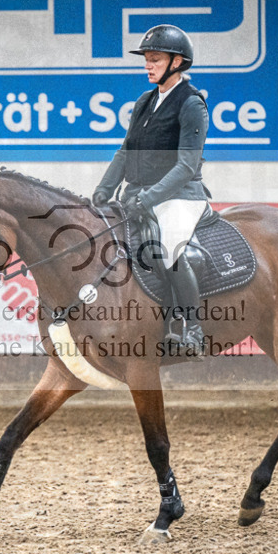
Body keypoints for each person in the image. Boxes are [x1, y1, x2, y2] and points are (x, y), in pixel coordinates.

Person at [92, 24, 210, 356]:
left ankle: (192, 329)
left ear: (177, 62)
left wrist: (148, 198)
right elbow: (126, 151)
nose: (148, 65)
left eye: (155, 59)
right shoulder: (145, 101)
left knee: (169, 249)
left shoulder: (192, 105)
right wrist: (105, 188)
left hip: (181, 197)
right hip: (141, 195)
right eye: (146, 59)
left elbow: (186, 167)